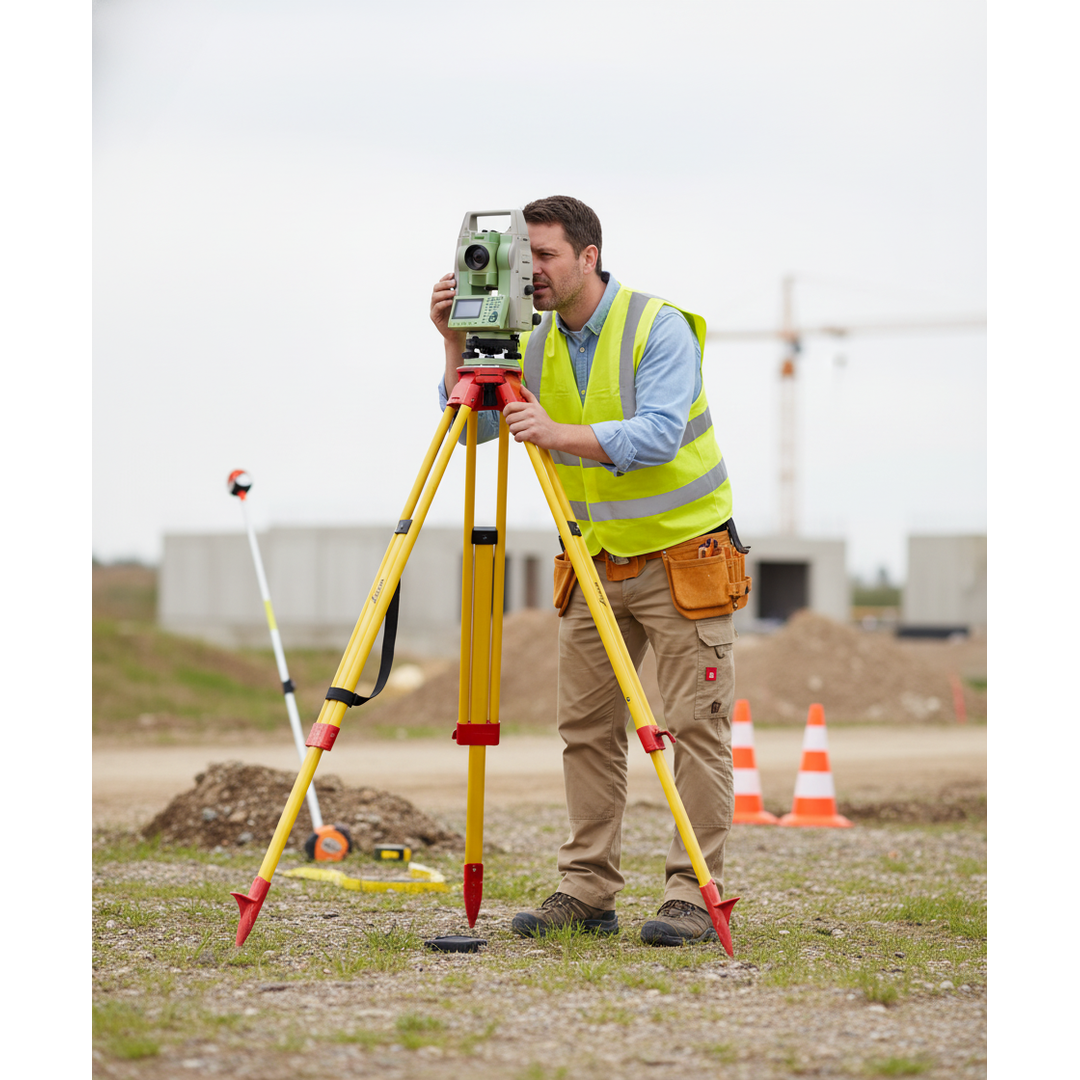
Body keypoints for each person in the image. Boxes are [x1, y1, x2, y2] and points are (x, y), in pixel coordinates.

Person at [429, 195, 744, 946]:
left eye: (544, 255)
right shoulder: (528, 338)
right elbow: (472, 431)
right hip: (593, 560)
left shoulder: (657, 326)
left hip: (684, 555)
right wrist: (454, 344)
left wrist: (556, 431)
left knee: (694, 729)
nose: (529, 271)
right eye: (522, 256)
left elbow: (659, 434)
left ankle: (692, 896)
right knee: (587, 731)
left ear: (588, 256)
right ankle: (586, 889)